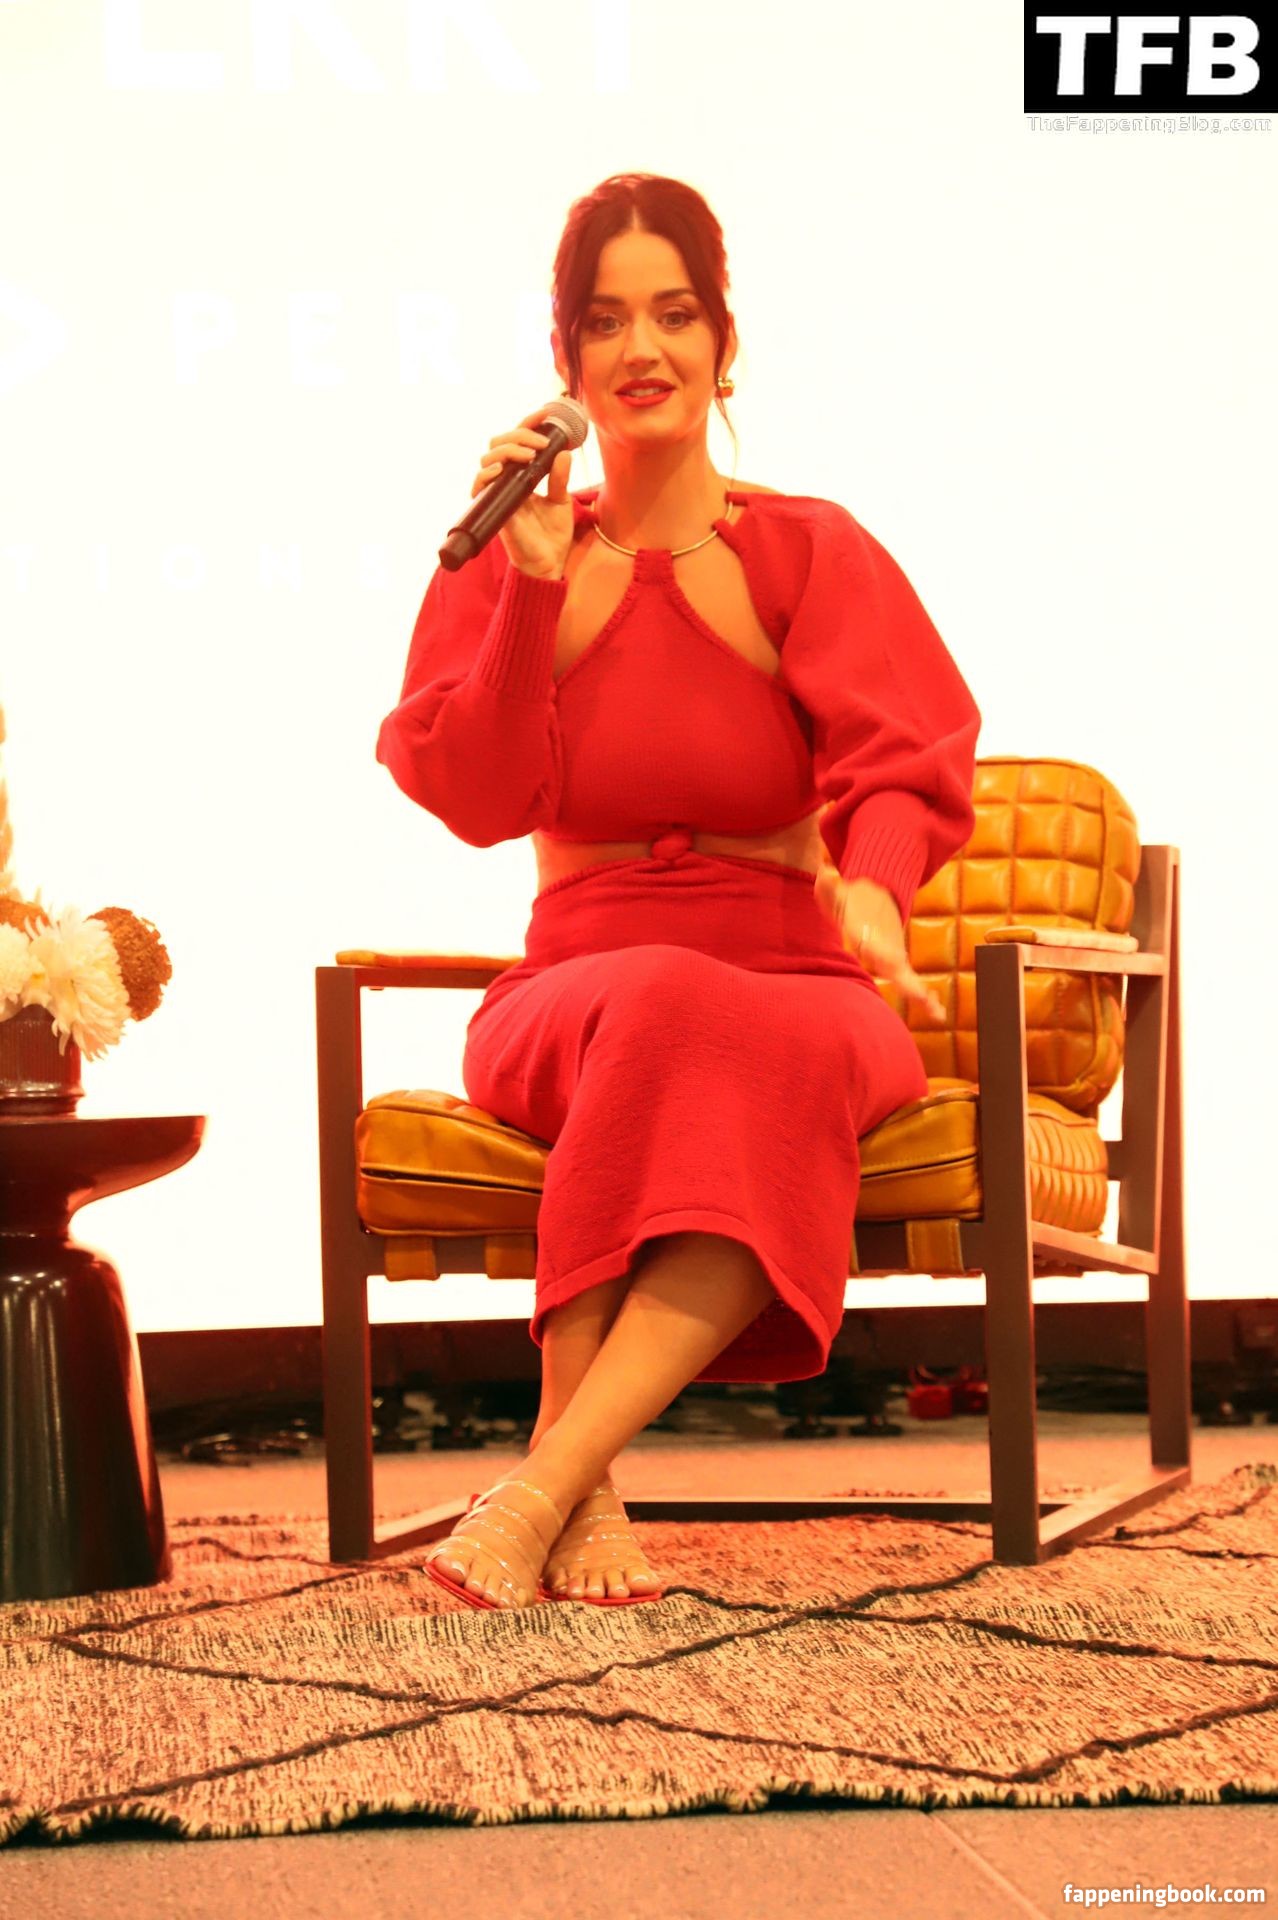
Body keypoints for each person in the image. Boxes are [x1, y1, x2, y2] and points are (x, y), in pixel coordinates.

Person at [376, 172, 982, 1613]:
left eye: (673, 313)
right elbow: (475, 796)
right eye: (603, 322)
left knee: (723, 1031)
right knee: (656, 1004)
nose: (640, 348)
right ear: (564, 360)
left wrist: (874, 892)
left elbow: (903, 760)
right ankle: (567, 1490)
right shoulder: (510, 556)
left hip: (801, 988)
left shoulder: (810, 547)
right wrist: (529, 588)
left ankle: (547, 1487)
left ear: (723, 342)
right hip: (573, 991)